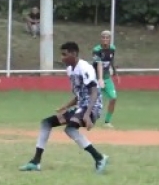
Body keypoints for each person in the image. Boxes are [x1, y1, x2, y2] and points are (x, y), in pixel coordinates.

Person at [19, 42, 109, 173]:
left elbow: (94, 92)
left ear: (74, 54)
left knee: (70, 128)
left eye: (64, 54)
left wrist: (87, 113)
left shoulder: (85, 68)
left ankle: (99, 158)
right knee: (47, 123)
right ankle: (35, 162)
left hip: (92, 105)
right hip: (82, 106)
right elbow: (80, 94)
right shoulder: (70, 70)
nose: (62, 58)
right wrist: (65, 107)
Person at [92, 30, 119, 128]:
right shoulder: (96, 50)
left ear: (110, 39)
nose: (105, 39)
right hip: (95, 79)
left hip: (107, 78)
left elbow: (111, 60)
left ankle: (107, 121)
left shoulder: (112, 48)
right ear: (100, 38)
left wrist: (115, 73)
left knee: (113, 98)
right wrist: (100, 79)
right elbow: (99, 64)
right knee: (92, 100)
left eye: (107, 38)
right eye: (103, 37)